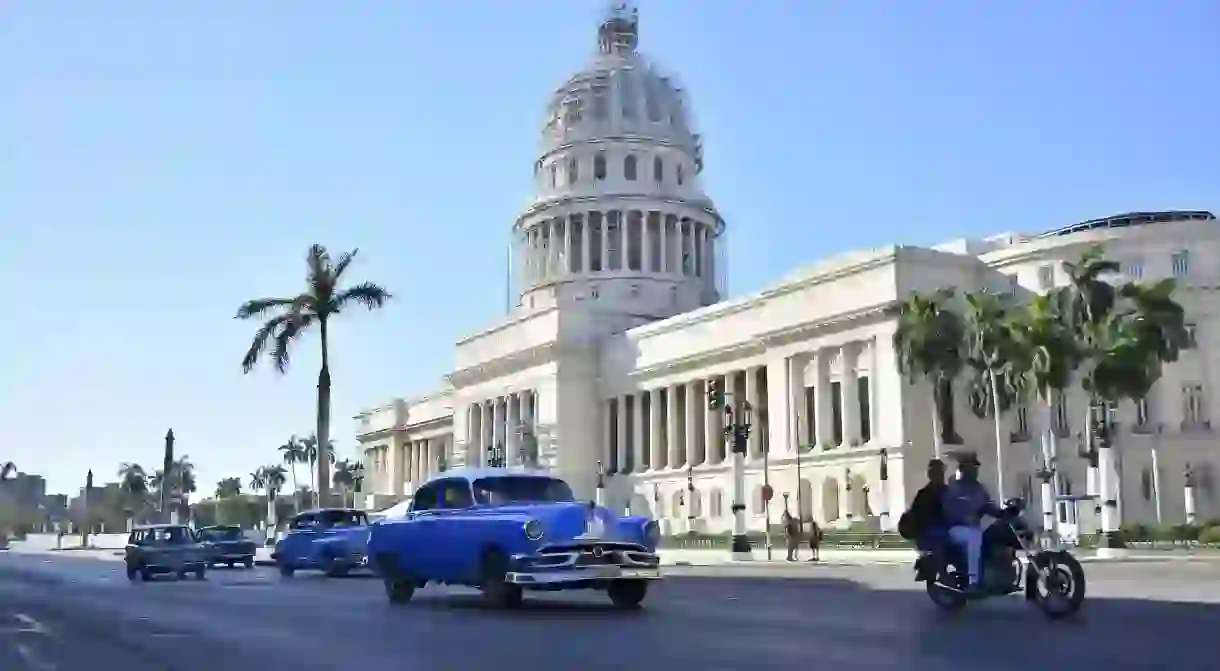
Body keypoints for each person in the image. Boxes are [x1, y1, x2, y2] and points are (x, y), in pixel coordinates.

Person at [941, 451, 1003, 594]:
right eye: (971, 468)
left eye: (975, 468)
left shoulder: (979, 488)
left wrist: (1003, 512)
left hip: (974, 528)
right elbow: (948, 510)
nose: (974, 471)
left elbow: (988, 505)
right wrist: (963, 518)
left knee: (994, 533)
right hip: (955, 529)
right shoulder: (954, 488)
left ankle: (996, 573)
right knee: (974, 536)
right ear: (962, 469)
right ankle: (973, 582)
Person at [899, 459, 949, 556]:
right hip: (931, 534)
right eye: (938, 472)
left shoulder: (947, 491)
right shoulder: (924, 494)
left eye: (941, 472)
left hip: (941, 532)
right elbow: (916, 515)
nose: (941, 475)